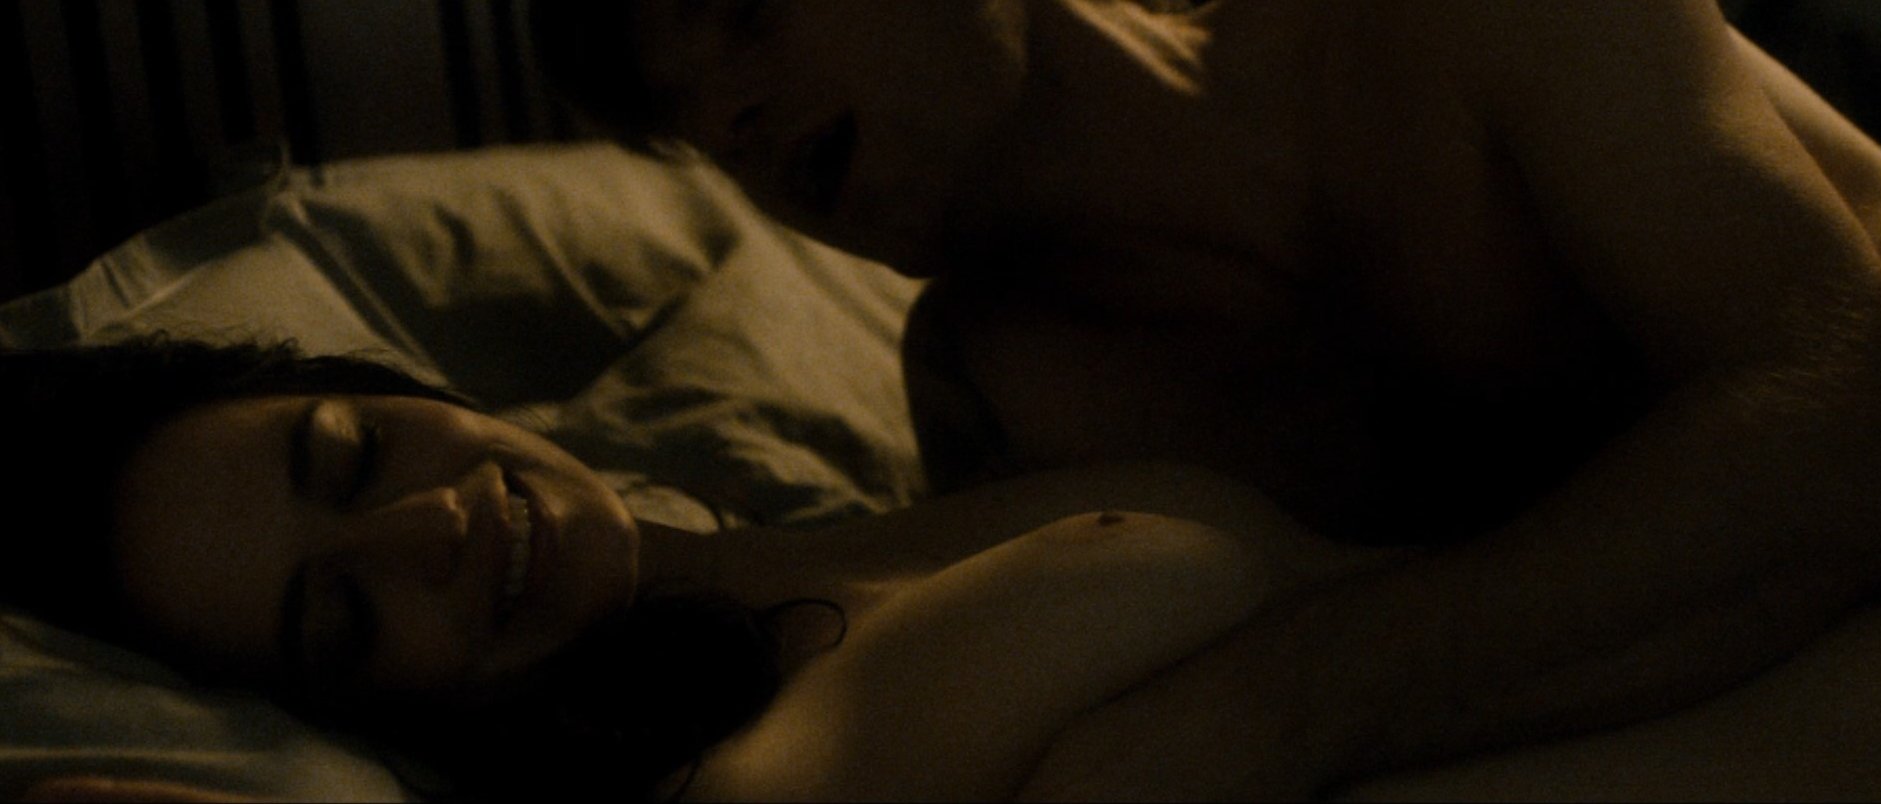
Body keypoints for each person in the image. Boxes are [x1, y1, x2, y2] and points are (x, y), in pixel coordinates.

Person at [529, 0, 1881, 797]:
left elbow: (1854, 426)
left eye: (744, 11)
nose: (728, 121)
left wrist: (1279, 704)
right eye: (676, 111)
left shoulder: (1456, 24)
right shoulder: (999, 387)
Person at [0, 335, 1387, 801]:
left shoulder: (910, 480)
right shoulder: (752, 770)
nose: (426, 533)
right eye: (343, 618)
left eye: (354, 452)